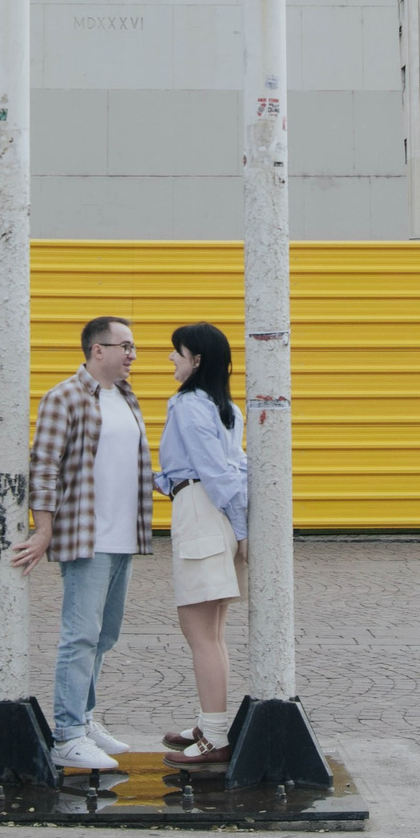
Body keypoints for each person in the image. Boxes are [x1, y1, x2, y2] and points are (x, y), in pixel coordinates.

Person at [11, 315, 152, 774]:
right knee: (80, 636)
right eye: (125, 346)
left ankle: (85, 721)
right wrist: (44, 529)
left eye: (133, 347)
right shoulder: (64, 397)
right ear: (97, 349)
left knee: (104, 636)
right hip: (85, 538)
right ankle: (67, 734)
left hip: (123, 537)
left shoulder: (127, 398)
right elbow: (45, 467)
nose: (132, 355)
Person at [155, 322, 248, 766]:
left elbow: (215, 473)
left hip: (200, 511)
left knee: (199, 634)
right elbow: (231, 468)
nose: (171, 358)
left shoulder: (189, 404)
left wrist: (245, 533)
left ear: (197, 361)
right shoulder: (226, 406)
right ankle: (211, 723)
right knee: (212, 634)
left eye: (179, 352)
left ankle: (214, 735)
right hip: (211, 513)